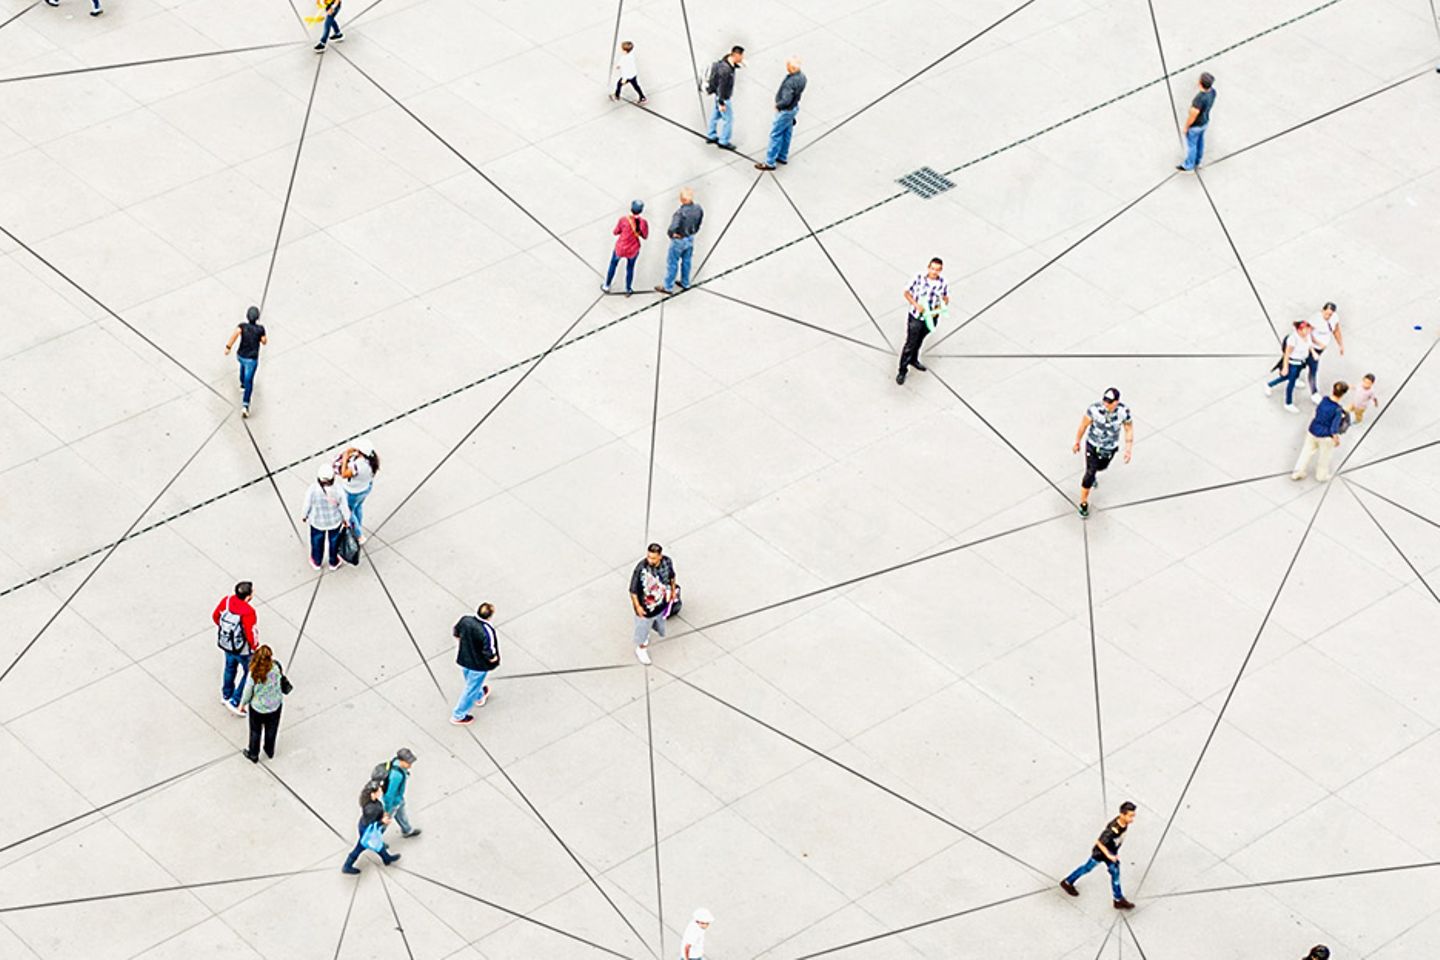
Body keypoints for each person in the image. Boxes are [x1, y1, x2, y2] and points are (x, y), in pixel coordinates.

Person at [1059, 801, 1137, 909]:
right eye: (1130, 816)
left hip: (1111, 851)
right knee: (1087, 868)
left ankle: (1118, 899)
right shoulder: (1113, 830)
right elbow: (1099, 842)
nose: (1132, 819)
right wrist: (1109, 856)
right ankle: (1067, 882)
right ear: (1122, 815)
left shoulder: (1124, 823)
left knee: (1115, 873)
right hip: (1101, 854)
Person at [1072, 387, 1134, 519]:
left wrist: (1128, 449)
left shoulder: (1123, 412)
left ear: (1116, 402)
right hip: (1093, 445)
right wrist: (1077, 441)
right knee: (1089, 472)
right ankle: (1083, 502)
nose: (1106, 404)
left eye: (1109, 402)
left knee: (1102, 467)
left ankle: (1094, 473)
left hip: (1109, 447)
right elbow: (1083, 425)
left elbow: (1128, 428)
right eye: (1105, 400)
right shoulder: (1094, 410)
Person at [896, 258, 949, 384]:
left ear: (940, 270)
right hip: (916, 317)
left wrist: (941, 307)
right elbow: (906, 292)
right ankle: (902, 370)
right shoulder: (918, 278)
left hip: (930, 317)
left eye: (937, 269)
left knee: (919, 340)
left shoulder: (943, 283)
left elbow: (945, 297)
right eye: (932, 268)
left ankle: (914, 360)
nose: (934, 272)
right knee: (910, 343)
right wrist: (916, 305)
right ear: (928, 267)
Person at [212, 581, 259, 716]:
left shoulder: (227, 601)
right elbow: (251, 632)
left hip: (227, 644)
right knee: (250, 672)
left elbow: (216, 616)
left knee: (229, 668)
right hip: (242, 649)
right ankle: (236, 700)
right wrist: (255, 647)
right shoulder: (248, 612)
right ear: (248, 597)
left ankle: (226, 695)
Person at [451, 602, 499, 725]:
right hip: (478, 664)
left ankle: (479, 695)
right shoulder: (487, 630)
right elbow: (489, 650)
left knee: (470, 680)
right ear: (490, 616)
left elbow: (456, 633)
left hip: (464, 657)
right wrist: (493, 658)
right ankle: (458, 714)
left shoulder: (465, 620)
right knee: (470, 688)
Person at [755, 58, 807, 171]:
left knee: (776, 134)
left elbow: (786, 99)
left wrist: (778, 105)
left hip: (786, 110)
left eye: (788, 66)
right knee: (787, 133)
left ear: (792, 68)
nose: (786, 68)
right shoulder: (802, 77)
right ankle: (782, 155)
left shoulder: (790, 82)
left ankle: (770, 162)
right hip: (793, 108)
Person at [1292, 381, 1348, 482]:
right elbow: (1333, 428)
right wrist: (1336, 440)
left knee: (1306, 452)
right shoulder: (1337, 410)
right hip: (1325, 436)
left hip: (1313, 430)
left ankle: (1298, 472)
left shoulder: (1324, 400)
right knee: (1324, 457)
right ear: (1343, 394)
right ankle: (1321, 476)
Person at [630, 543, 677, 665]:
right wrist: (638, 607)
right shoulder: (641, 569)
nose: (650, 560)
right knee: (642, 628)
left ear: (660, 556)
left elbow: (672, 576)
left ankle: (647, 635)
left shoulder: (667, 562)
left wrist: (672, 591)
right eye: (649, 557)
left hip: (660, 603)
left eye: (653, 558)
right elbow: (633, 590)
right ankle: (641, 648)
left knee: (657, 623)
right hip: (645, 608)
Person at [341, 780, 399, 874]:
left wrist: (383, 814)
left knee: (378, 844)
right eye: (379, 791)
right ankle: (347, 866)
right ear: (373, 794)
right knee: (360, 847)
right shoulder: (371, 809)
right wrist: (382, 821)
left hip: (366, 827)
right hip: (368, 831)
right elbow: (371, 825)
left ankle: (386, 858)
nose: (381, 792)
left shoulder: (372, 802)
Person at [240, 645, 286, 762]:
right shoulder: (276, 668)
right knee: (272, 729)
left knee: (255, 731)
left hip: (258, 707)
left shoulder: (254, 674)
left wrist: (243, 704)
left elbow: (248, 691)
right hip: (275, 705)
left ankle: (253, 754)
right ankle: (269, 750)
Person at [654, 189, 704, 295]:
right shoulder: (698, 209)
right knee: (687, 261)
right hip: (690, 238)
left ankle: (668, 286)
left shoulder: (680, 213)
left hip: (679, 240)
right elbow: (699, 222)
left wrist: (672, 234)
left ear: (682, 199)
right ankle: (685, 282)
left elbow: (672, 228)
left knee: (673, 262)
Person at [301, 465, 350, 570]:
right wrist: (346, 519)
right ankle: (333, 562)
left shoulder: (313, 489)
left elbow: (307, 504)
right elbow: (344, 506)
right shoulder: (338, 489)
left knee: (317, 541)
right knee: (334, 542)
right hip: (334, 521)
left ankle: (317, 561)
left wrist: (304, 515)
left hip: (317, 521)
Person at [223, 306, 266, 417]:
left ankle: (242, 384)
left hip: (241, 355)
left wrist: (228, 347)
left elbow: (234, 335)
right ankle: (245, 405)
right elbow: (264, 341)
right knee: (249, 380)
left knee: (242, 368)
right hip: (252, 359)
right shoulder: (260, 329)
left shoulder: (242, 326)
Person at [1264, 320, 1314, 412]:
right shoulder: (1293, 339)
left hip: (1301, 362)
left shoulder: (1307, 336)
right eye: (1306, 330)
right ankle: (1288, 403)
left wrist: (1313, 353)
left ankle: (1270, 384)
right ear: (1299, 330)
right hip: (1293, 363)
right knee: (1290, 382)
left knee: (1289, 377)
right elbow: (1287, 354)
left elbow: (1309, 345)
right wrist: (1285, 367)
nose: (1308, 332)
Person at [703, 46, 745, 150]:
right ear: (736, 55)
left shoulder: (725, 62)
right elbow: (721, 87)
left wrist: (740, 65)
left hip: (719, 96)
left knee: (715, 115)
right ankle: (724, 141)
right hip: (724, 97)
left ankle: (711, 135)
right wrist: (721, 103)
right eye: (741, 56)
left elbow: (732, 66)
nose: (742, 58)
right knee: (728, 119)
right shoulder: (726, 71)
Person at [603, 201, 649, 296]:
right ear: (641, 211)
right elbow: (645, 236)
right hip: (633, 249)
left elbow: (616, 232)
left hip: (621, 247)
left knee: (613, 265)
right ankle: (628, 288)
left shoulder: (623, 220)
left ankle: (606, 285)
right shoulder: (643, 223)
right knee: (630, 268)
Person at [338, 442, 380, 544]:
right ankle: (358, 525)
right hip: (365, 488)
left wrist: (345, 457)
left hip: (353, 491)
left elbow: (344, 474)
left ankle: (358, 534)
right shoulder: (372, 462)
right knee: (358, 507)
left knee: (349, 512)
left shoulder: (357, 465)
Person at [1304, 302, 1344, 402]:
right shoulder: (1315, 320)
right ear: (1322, 310)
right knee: (1313, 369)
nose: (1328, 316)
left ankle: (1294, 375)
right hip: (1312, 348)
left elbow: (1336, 331)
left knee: (1302, 365)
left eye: (1330, 314)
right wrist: (1315, 346)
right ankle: (1314, 392)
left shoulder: (1334, 318)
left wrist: (1340, 344)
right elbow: (1306, 334)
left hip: (1320, 349)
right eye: (1326, 314)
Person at [1176, 72, 1216, 171]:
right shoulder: (1213, 92)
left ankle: (1189, 164)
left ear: (1200, 83)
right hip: (1205, 122)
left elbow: (1193, 115)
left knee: (1192, 145)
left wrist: (1186, 127)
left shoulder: (1199, 99)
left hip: (1196, 125)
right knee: (1200, 141)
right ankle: (1198, 160)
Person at [379, 748, 422, 838]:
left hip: (398, 799)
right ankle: (375, 839)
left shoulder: (396, 763)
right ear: (402, 761)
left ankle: (407, 830)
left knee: (401, 815)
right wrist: (387, 810)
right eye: (408, 763)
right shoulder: (396, 776)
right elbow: (389, 795)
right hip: (393, 802)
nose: (410, 766)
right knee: (384, 823)